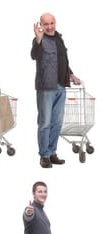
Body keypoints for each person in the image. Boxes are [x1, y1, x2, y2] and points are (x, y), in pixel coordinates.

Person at [31, 13, 81, 168]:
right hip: (46, 87)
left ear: (55, 23)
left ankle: (52, 152)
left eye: (51, 23)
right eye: (46, 24)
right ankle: (44, 155)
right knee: (45, 123)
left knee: (57, 123)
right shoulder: (39, 40)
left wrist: (71, 74)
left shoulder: (59, 38)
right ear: (41, 24)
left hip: (61, 85)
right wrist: (38, 40)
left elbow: (63, 60)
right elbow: (34, 55)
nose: (49, 26)